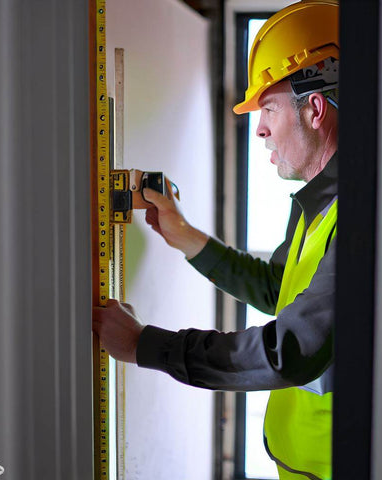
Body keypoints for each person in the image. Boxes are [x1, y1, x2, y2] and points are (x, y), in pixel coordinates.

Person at [93, 1, 339, 479]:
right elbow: (277, 290)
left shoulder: (357, 217)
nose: (261, 127)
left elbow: (290, 349)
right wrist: (186, 238)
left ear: (313, 108)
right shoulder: (317, 204)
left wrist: (146, 345)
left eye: (268, 108)